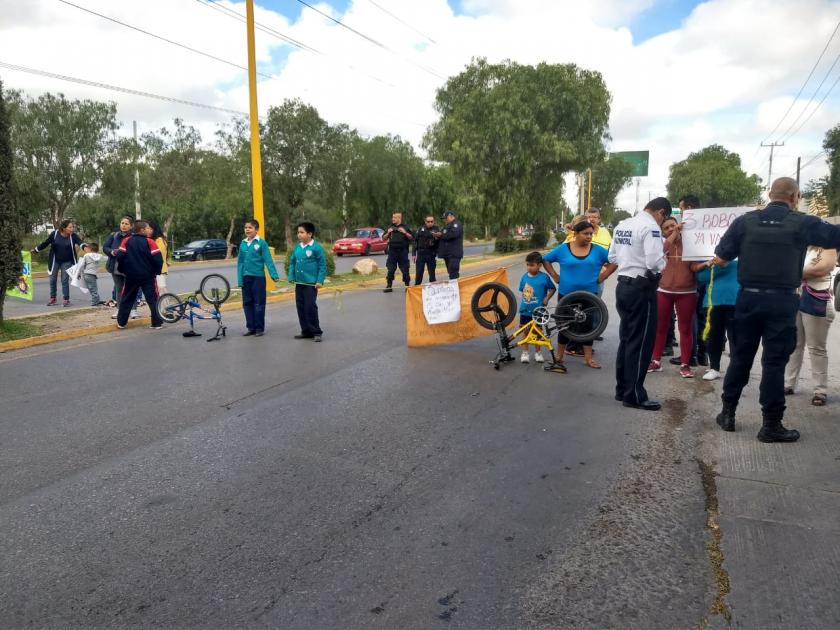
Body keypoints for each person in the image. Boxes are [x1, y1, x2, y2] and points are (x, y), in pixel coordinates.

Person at [712, 177, 840, 442]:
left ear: (770, 194)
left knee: (740, 358)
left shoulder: (745, 221)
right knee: (773, 364)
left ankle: (728, 413)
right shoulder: (803, 223)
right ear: (795, 197)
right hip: (782, 303)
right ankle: (771, 425)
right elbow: (834, 236)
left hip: (747, 300)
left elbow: (722, 255)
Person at [608, 197, 672, 411]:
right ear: (661, 213)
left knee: (627, 339)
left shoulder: (622, 225)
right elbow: (654, 262)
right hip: (641, 288)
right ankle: (634, 394)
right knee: (642, 341)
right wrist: (664, 261)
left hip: (623, 286)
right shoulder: (650, 227)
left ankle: (622, 389)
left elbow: (612, 256)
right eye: (663, 220)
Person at [544, 220, 615, 371]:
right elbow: (546, 260)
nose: (589, 236)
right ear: (576, 234)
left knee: (588, 327)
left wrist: (604, 275)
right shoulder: (563, 249)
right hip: (566, 296)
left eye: (591, 233)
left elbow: (614, 262)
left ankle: (588, 358)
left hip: (589, 296)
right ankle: (559, 356)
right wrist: (555, 276)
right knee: (563, 326)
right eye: (585, 233)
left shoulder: (598, 250)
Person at [784, 246, 837, 406]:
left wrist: (793, 272)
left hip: (817, 300)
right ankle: (789, 384)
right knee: (794, 345)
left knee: (816, 348)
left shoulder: (828, 248)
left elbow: (821, 269)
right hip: (796, 298)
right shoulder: (800, 247)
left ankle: (820, 390)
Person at [648, 216, 698, 378]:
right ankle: (656, 361)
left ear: (678, 225)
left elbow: (694, 266)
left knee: (685, 329)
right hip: (664, 291)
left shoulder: (690, 243)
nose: (670, 229)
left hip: (687, 292)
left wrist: (707, 263)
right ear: (663, 232)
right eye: (666, 228)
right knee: (660, 327)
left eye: (672, 226)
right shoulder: (663, 244)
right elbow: (662, 251)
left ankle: (685, 364)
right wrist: (673, 235)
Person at [691, 258, 740, 381]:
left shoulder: (740, 258)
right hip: (716, 301)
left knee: (724, 337)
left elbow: (701, 277)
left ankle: (723, 368)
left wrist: (716, 265)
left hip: (728, 301)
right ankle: (717, 368)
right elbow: (702, 277)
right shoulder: (714, 260)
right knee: (717, 336)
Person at [115, 220, 164, 330]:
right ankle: (157, 323)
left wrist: (123, 269)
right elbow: (158, 259)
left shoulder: (126, 241)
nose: (149, 230)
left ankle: (121, 323)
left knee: (127, 298)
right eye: (147, 228)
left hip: (131, 276)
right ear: (142, 230)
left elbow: (120, 256)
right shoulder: (150, 242)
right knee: (153, 299)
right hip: (148, 276)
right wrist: (156, 272)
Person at [237, 218, 280, 337]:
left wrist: (274, 275)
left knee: (259, 303)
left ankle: (259, 328)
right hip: (246, 278)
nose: (247, 229)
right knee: (247, 303)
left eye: (250, 227)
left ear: (256, 229)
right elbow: (240, 263)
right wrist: (240, 279)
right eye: (246, 227)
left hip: (258, 278)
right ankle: (250, 327)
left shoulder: (261, 243)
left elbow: (268, 260)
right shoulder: (243, 243)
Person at [287, 221, 327, 342]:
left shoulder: (316, 248)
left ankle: (316, 331)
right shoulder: (298, 248)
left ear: (310, 234)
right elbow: (292, 262)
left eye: (301, 232)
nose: (298, 234)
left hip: (311, 284)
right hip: (299, 284)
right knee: (301, 307)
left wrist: (319, 280)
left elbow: (322, 266)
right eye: (298, 232)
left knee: (310, 307)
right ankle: (306, 331)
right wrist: (291, 276)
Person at [31, 219, 85, 307]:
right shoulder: (55, 234)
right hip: (55, 261)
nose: (72, 229)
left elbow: (80, 243)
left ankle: (66, 300)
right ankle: (53, 299)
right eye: (70, 227)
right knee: (52, 280)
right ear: (64, 228)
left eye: (72, 227)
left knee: (64, 280)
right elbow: (46, 243)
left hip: (67, 261)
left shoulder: (73, 236)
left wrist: (86, 247)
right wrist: (36, 250)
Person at [518, 251, 556, 364]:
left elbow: (553, 288)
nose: (529, 267)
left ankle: (538, 353)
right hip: (525, 311)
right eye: (527, 265)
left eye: (532, 265)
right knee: (525, 332)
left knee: (538, 333)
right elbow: (522, 290)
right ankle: (525, 353)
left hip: (538, 312)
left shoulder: (544, 277)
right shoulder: (524, 277)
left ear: (539, 265)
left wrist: (547, 298)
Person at [103, 216, 135, 319]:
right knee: (119, 289)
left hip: (129, 267)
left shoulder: (134, 237)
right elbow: (105, 247)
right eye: (122, 223)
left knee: (131, 289)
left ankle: (133, 310)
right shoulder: (114, 235)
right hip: (115, 267)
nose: (124, 225)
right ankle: (119, 310)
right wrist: (111, 251)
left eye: (126, 224)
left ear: (131, 226)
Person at [382, 212, 413, 293]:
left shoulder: (405, 227)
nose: (393, 219)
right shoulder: (390, 227)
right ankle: (389, 285)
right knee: (391, 269)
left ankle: (407, 286)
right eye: (393, 217)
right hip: (392, 251)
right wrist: (388, 232)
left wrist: (405, 232)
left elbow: (411, 237)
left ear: (399, 218)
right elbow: (383, 238)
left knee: (405, 269)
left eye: (395, 218)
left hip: (402, 251)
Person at [412, 215, 440, 285]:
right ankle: (417, 287)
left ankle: (433, 289)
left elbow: (440, 242)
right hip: (421, 254)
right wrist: (413, 254)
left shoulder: (436, 229)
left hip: (431, 254)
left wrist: (437, 237)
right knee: (419, 273)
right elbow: (415, 241)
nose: (430, 223)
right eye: (428, 221)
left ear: (434, 222)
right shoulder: (421, 229)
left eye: (431, 221)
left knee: (432, 273)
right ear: (425, 222)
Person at [436, 210, 464, 279]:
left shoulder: (457, 224)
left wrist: (441, 235)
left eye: (445, 218)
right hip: (447, 255)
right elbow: (442, 234)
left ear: (450, 216)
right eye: (443, 219)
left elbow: (453, 234)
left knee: (453, 273)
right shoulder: (446, 226)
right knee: (451, 272)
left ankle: (456, 289)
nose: (444, 220)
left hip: (454, 254)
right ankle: (454, 288)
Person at [79, 242, 105, 307]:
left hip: (87, 273)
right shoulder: (99, 256)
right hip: (93, 274)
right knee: (94, 288)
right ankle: (96, 301)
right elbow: (105, 258)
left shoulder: (86, 255)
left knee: (92, 288)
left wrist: (79, 273)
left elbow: (82, 265)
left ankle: (95, 301)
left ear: (90, 249)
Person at [147, 219, 169, 292]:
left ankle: (165, 303)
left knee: (161, 290)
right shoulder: (152, 240)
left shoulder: (159, 240)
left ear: (155, 229)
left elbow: (159, 256)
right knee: (156, 292)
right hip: (154, 271)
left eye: (150, 229)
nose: (148, 231)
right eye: (147, 228)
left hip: (160, 270)